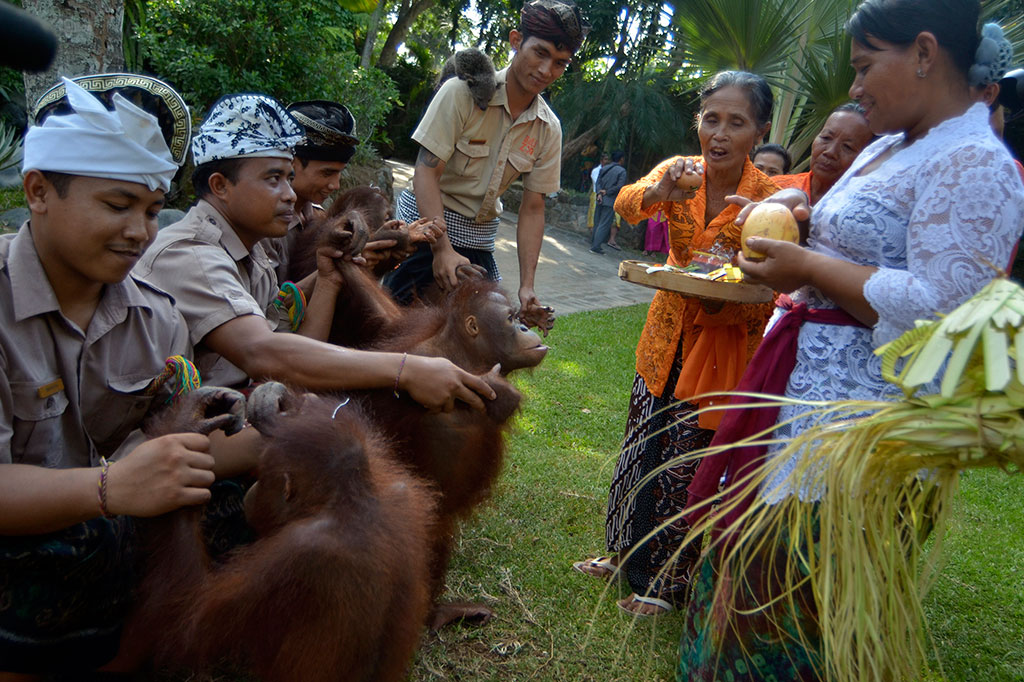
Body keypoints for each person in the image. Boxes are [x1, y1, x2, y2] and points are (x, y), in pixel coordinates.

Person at [680, 1, 1024, 678]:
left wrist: (807, 266)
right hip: (801, 407)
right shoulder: (897, 143)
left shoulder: (974, 162)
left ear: (924, 53)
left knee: (794, 603)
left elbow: (944, 314)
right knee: (745, 582)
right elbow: (863, 242)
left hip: (857, 437)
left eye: (866, 66)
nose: (857, 87)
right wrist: (791, 218)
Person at [0, 74, 247, 678]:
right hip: (34, 543)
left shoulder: (155, 314)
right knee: (75, 548)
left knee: (241, 502)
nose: (140, 230)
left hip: (106, 524)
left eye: (153, 210)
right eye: (117, 205)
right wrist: (109, 490)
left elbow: (177, 439)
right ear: (37, 191)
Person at [134, 93, 495, 411]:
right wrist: (405, 369)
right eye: (274, 179)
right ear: (220, 185)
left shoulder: (251, 254)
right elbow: (264, 355)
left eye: (289, 178)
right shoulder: (194, 254)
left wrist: (328, 277)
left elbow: (294, 354)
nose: (290, 195)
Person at [572, 71, 779, 616]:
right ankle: (621, 553)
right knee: (641, 446)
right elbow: (624, 205)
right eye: (712, 119)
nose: (720, 133)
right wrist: (661, 191)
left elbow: (775, 288)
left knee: (685, 462)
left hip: (724, 344)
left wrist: (724, 299)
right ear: (699, 122)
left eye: (736, 123)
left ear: (759, 130)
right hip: (664, 335)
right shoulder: (679, 171)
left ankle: (665, 584)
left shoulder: (771, 199)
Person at [382, 0, 590, 319]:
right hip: (425, 232)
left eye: (560, 62)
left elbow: (533, 208)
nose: (547, 70)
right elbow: (425, 173)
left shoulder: (549, 128)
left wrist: (527, 287)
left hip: (479, 244)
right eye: (541, 53)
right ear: (516, 40)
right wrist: (441, 250)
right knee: (393, 327)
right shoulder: (462, 92)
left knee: (488, 336)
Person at [772, 103, 875, 206]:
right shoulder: (775, 188)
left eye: (847, 147)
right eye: (826, 138)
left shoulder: (861, 209)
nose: (830, 152)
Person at [589, 150, 626, 253]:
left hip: (600, 198)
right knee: (604, 223)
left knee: (597, 221)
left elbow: (598, 183)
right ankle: (596, 246)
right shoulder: (621, 171)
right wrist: (607, 192)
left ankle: (593, 242)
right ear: (621, 159)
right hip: (610, 200)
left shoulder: (604, 168)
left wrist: (600, 193)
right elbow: (619, 186)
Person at [586, 151, 608, 231]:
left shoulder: (608, 171)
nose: (607, 161)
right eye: (605, 159)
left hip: (605, 195)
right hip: (596, 193)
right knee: (593, 215)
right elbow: (597, 183)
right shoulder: (596, 171)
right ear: (601, 160)